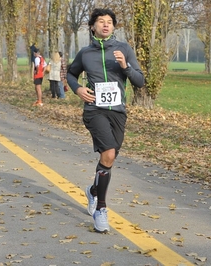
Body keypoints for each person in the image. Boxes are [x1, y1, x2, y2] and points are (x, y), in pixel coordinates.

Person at [67, 8, 145, 233]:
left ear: (114, 26)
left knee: (110, 158)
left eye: (109, 22)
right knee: (108, 153)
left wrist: (125, 66)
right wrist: (78, 89)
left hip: (118, 111)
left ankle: (93, 191)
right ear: (92, 27)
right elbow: (71, 74)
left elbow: (139, 81)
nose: (105, 25)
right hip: (94, 110)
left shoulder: (124, 49)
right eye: (101, 21)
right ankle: (101, 208)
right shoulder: (85, 53)